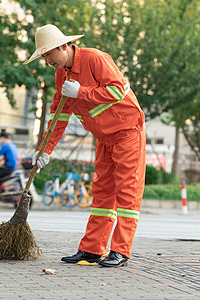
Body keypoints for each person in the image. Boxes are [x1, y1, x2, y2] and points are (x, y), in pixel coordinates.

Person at [26, 24, 146, 267]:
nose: (47, 60)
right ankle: (92, 250)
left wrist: (82, 92)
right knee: (102, 193)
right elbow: (59, 116)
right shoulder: (62, 76)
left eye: (49, 54)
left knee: (126, 192)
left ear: (63, 46)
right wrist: (45, 150)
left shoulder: (95, 59)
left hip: (127, 133)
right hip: (104, 138)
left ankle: (120, 251)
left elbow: (118, 90)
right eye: (44, 56)